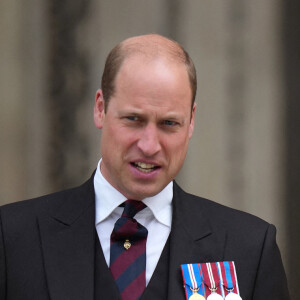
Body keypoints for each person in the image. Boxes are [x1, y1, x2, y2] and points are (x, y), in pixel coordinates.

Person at [0, 34, 289, 300]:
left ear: (192, 121)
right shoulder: (13, 238)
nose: (150, 145)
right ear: (100, 108)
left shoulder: (249, 248)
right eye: (133, 120)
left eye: (169, 123)